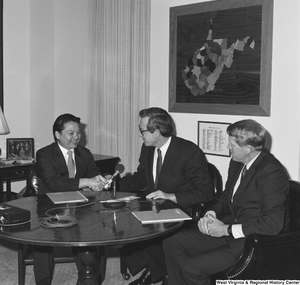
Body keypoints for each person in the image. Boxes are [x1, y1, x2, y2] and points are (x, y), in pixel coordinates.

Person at [163, 119, 290, 285]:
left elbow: (272, 224)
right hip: (231, 231)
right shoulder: (238, 162)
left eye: (231, 144)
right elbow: (226, 196)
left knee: (191, 267)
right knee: (172, 241)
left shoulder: (271, 172)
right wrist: (212, 213)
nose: (228, 148)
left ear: (248, 149)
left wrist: (226, 230)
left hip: (253, 242)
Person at [118, 107, 213, 285]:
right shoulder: (148, 149)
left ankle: (155, 274)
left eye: (142, 130)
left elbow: (206, 191)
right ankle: (155, 271)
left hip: (180, 209)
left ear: (158, 131)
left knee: (149, 233)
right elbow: (140, 179)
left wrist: (172, 196)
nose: (140, 134)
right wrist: (114, 183)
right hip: (154, 207)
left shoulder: (188, 151)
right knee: (123, 225)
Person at [33, 113, 109, 285]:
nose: (76, 137)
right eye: (71, 133)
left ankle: (88, 276)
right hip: (49, 205)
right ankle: (43, 281)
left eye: (79, 133)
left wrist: (100, 180)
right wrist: (86, 182)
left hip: (78, 205)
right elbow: (53, 183)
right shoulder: (44, 154)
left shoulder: (84, 153)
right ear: (57, 135)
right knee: (41, 241)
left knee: (92, 230)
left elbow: (93, 172)